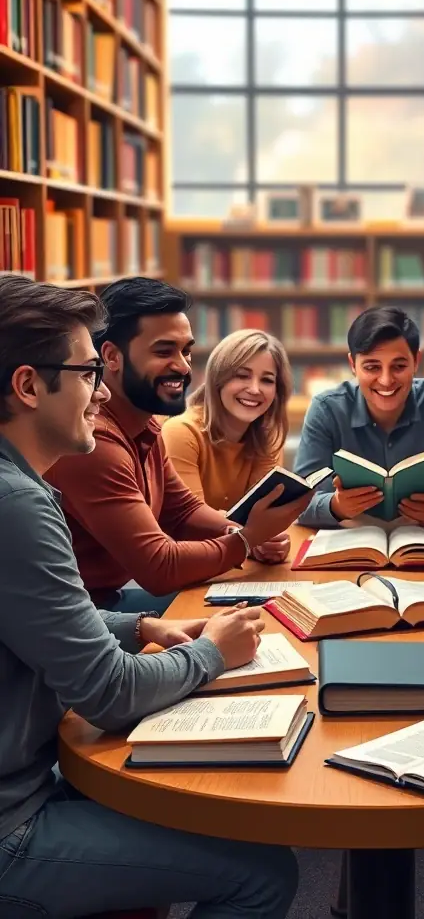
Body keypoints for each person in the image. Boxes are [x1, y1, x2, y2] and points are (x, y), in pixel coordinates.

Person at [0, 275, 298, 918]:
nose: (102, 392)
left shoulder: (21, 484)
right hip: (13, 824)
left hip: (27, 777)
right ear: (27, 386)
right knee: (264, 873)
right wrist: (212, 653)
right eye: (88, 372)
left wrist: (135, 629)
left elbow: (28, 614)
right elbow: (109, 695)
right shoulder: (17, 503)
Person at [46, 278, 311, 615]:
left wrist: (244, 531)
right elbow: (159, 568)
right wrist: (246, 540)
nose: (184, 366)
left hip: (109, 600)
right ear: (111, 357)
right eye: (164, 351)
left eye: (186, 351)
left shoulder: (145, 425)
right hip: (82, 617)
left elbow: (182, 510)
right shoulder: (95, 442)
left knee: (273, 605)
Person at [293, 305, 424, 527]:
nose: (386, 380)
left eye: (399, 366)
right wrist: (335, 506)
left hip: (420, 536)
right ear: (353, 365)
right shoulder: (326, 409)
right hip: (351, 537)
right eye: (372, 367)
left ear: (416, 361)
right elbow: (298, 502)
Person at [162, 329, 292, 564]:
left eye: (267, 380)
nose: (255, 389)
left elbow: (262, 520)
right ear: (218, 379)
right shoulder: (181, 432)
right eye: (242, 376)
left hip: (229, 565)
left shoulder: (269, 438)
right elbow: (189, 524)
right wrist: (251, 537)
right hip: (181, 567)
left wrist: (270, 542)